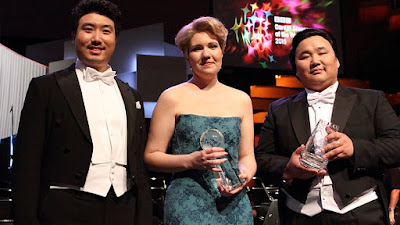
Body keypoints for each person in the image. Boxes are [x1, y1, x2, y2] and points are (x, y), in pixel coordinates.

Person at [11, 0, 152, 224]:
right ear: (74, 35)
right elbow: (26, 163)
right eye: (88, 29)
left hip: (123, 208)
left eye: (106, 31)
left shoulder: (132, 96)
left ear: (115, 39)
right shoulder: (46, 87)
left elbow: (138, 167)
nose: (97, 38)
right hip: (65, 208)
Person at [255, 28, 400, 225]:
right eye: (305, 56)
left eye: (322, 53)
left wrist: (354, 148)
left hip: (361, 212)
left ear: (337, 60)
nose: (315, 61)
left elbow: (396, 145)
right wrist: (288, 168)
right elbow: (262, 159)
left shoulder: (371, 100)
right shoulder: (279, 110)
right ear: (296, 70)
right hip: (299, 215)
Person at [144, 16, 256, 224]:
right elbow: (151, 156)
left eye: (213, 46)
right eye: (197, 48)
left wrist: (243, 175)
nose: (206, 54)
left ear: (222, 50)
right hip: (187, 204)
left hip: (234, 204)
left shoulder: (241, 99)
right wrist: (191, 160)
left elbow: (247, 156)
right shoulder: (171, 97)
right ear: (187, 57)